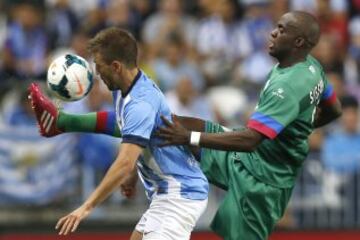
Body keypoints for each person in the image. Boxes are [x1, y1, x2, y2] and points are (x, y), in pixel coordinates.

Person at [156, 11, 342, 240]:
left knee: (186, 133)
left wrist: (189, 138)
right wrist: (299, 128)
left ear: (299, 42)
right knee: (168, 122)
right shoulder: (314, 68)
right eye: (277, 26)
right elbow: (334, 109)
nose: (273, 32)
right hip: (247, 158)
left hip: (263, 181)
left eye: (282, 30)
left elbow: (250, 140)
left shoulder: (286, 89)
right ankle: (107, 122)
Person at [28, 27, 208, 240]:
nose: (96, 73)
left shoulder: (141, 103)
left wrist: (87, 206)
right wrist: (67, 122)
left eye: (99, 66)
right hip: (164, 193)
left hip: (180, 195)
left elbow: (124, 163)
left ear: (116, 66)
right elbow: (125, 125)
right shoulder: (124, 89)